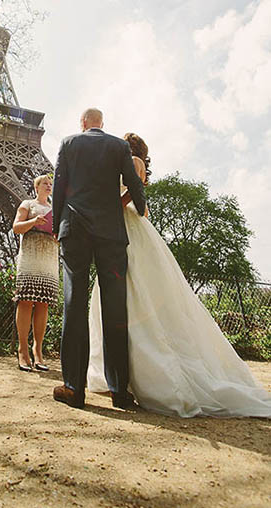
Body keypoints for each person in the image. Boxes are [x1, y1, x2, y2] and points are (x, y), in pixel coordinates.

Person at [87, 132, 271, 417]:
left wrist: (110, 206)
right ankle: (121, 374)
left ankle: (138, 374)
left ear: (130, 148)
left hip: (127, 226)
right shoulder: (129, 161)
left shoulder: (133, 161)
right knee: (130, 295)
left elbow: (135, 195)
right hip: (124, 227)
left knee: (134, 293)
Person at [52, 109, 146, 409]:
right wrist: (141, 208)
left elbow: (58, 188)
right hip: (110, 233)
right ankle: (119, 392)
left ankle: (73, 388)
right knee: (115, 310)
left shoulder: (68, 143)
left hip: (76, 229)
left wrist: (57, 227)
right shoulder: (119, 146)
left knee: (74, 305)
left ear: (82, 123)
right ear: (102, 125)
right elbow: (134, 183)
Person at [13, 174, 59, 372]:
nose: (49, 186)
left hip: (48, 256)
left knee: (43, 303)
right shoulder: (27, 204)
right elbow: (16, 227)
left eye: (51, 183)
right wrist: (34, 222)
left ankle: (38, 350)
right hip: (31, 255)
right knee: (25, 301)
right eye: (45, 183)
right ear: (37, 187)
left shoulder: (55, 209)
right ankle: (22, 349)